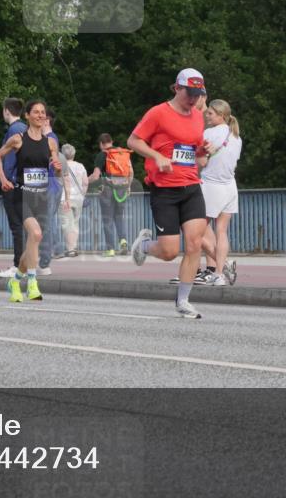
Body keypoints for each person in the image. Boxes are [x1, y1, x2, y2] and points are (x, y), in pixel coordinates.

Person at [128, 69, 210, 319]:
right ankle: (143, 246)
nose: (193, 99)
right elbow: (133, 141)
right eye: (189, 93)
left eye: (197, 94)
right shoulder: (158, 113)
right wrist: (156, 156)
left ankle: (183, 301)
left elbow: (195, 152)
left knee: (195, 244)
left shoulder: (198, 117)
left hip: (192, 186)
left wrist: (202, 152)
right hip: (164, 190)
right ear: (177, 88)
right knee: (169, 252)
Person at [0, 99, 68, 303]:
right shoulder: (18, 139)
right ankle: (33, 283)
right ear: (27, 115)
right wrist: (3, 180)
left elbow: (56, 172)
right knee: (35, 234)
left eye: (43, 112)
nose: (40, 115)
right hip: (22, 195)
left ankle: (16, 280)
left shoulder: (51, 143)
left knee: (33, 242)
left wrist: (57, 169)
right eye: (36, 112)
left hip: (42, 197)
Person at [198, 99, 242, 286]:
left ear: (221, 115)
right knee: (221, 231)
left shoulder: (209, 133)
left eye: (210, 113)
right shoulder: (236, 137)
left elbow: (201, 162)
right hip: (230, 187)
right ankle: (219, 275)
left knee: (195, 231)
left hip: (210, 185)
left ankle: (223, 265)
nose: (206, 116)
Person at [87, 133, 132, 257]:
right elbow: (131, 172)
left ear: (101, 144)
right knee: (119, 217)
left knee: (108, 219)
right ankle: (123, 241)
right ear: (112, 141)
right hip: (122, 189)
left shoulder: (102, 155)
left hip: (107, 190)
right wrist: (128, 187)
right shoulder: (122, 153)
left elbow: (96, 175)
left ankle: (110, 249)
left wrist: (85, 181)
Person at [0, 98, 28, 277]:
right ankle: (27, 264)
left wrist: (6, 179)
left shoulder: (14, 130)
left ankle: (18, 266)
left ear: (7, 111)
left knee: (16, 226)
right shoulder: (25, 128)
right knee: (25, 226)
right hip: (25, 184)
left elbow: (9, 160)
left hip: (13, 184)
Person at [36, 107, 63, 274]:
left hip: (49, 185)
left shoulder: (49, 138)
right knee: (48, 221)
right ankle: (56, 250)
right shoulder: (53, 138)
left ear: (47, 121)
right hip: (53, 185)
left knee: (46, 223)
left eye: (42, 117)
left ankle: (45, 261)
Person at [59, 143, 88, 257]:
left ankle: (70, 249)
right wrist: (82, 195)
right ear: (74, 154)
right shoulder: (80, 166)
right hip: (78, 198)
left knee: (67, 224)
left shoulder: (60, 165)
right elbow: (85, 182)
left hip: (64, 198)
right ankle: (74, 247)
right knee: (75, 223)